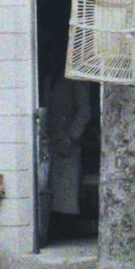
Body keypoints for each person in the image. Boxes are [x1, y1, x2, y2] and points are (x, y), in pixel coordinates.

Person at [45, 76, 93, 242]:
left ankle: (67, 232)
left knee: (67, 193)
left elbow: (85, 111)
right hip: (49, 142)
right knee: (50, 190)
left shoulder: (77, 79)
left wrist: (71, 137)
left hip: (67, 145)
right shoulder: (48, 79)